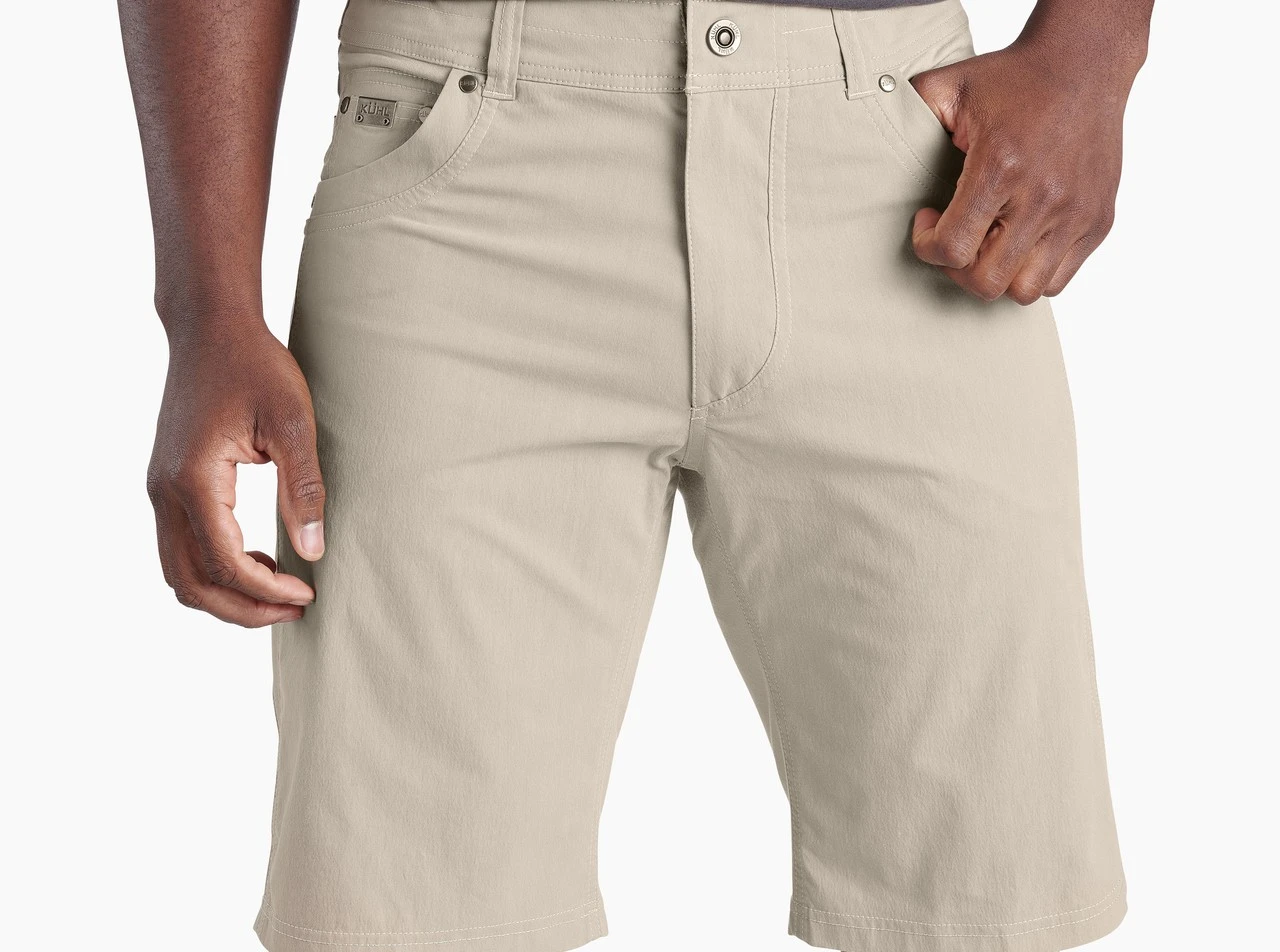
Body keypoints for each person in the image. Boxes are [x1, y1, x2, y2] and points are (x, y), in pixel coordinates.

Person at [119, 0, 1150, 950]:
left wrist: (1090, 54)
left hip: (904, 165)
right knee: (409, 914)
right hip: (466, 177)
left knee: (989, 900)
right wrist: (207, 310)